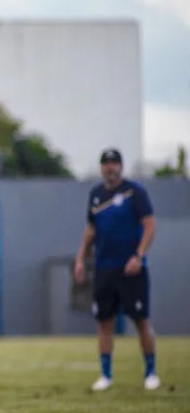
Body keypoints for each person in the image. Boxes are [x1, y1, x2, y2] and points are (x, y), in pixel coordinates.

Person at [73, 148, 159, 392]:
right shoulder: (97, 195)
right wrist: (81, 259)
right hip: (104, 268)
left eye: (114, 163)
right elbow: (91, 230)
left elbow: (150, 225)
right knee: (104, 321)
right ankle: (106, 375)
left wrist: (139, 256)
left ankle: (151, 372)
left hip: (131, 267)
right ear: (102, 167)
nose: (110, 168)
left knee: (140, 319)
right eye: (106, 164)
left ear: (121, 166)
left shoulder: (134, 192)